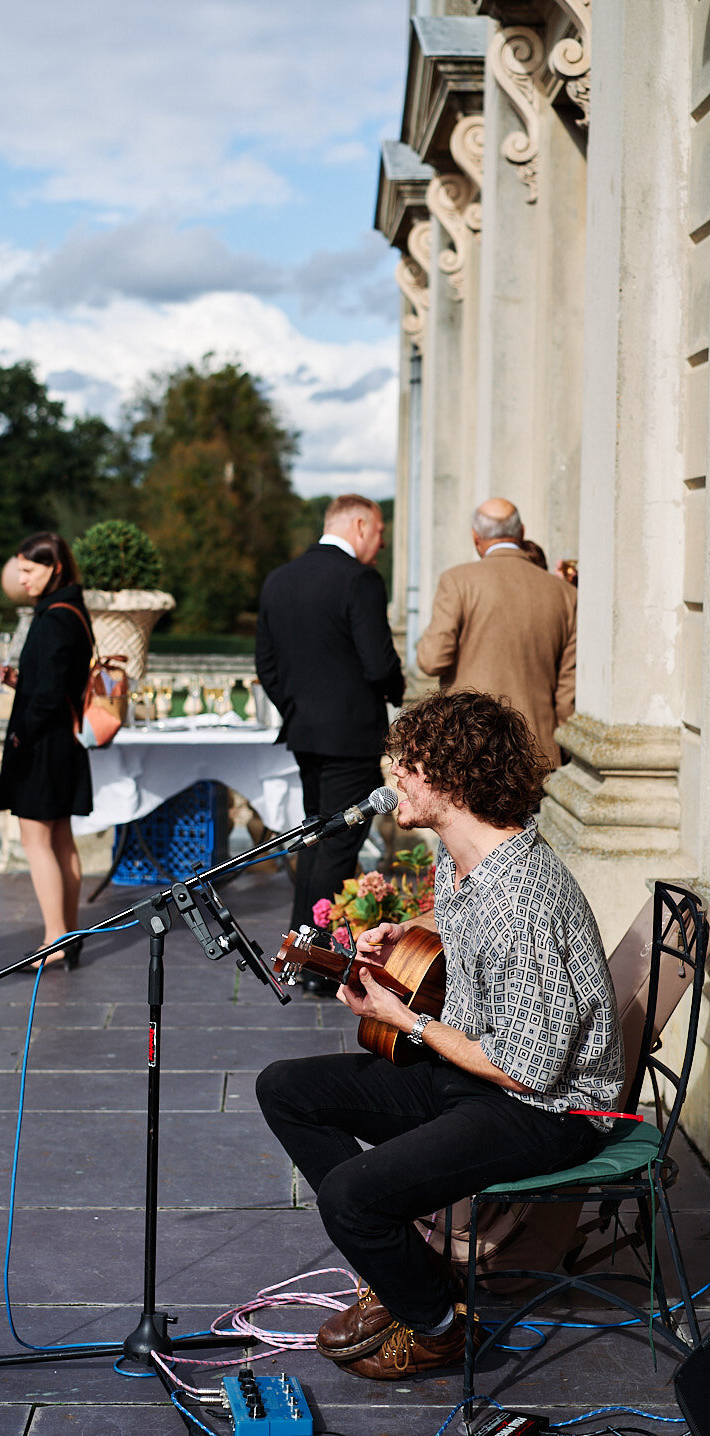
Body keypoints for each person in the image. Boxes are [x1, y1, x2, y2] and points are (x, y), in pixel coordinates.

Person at [256, 690, 623, 1381]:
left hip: (547, 1109)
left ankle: (437, 1326)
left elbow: (529, 1070)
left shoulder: (524, 899)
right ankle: (412, 1279)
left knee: (350, 1198)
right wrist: (410, 933)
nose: (394, 777)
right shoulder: (464, 861)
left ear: (453, 780)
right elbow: (466, 935)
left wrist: (409, 1022)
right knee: (286, 1089)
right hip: (478, 1071)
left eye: (410, 765)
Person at [255, 495, 404, 990]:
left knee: (315, 838)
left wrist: (297, 708)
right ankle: (316, 967)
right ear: (359, 524)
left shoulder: (280, 578)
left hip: (304, 733)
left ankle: (297, 957)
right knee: (336, 846)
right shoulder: (359, 580)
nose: (381, 543)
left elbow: (267, 667)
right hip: (350, 735)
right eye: (380, 531)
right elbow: (379, 663)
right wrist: (396, 692)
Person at [0, 532, 93, 970]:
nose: (21, 578)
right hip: (62, 743)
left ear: (54, 568)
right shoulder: (71, 610)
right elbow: (56, 682)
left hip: (43, 744)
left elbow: (48, 697)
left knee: (37, 841)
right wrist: (24, 681)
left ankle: (55, 939)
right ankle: (67, 933)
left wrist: (20, 736)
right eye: (20, 569)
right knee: (60, 838)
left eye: (29, 570)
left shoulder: (53, 617)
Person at [416, 497, 576, 768]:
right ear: (521, 532)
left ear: (475, 537)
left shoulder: (457, 581)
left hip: (469, 745)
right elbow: (567, 691)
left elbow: (431, 661)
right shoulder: (565, 593)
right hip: (535, 748)